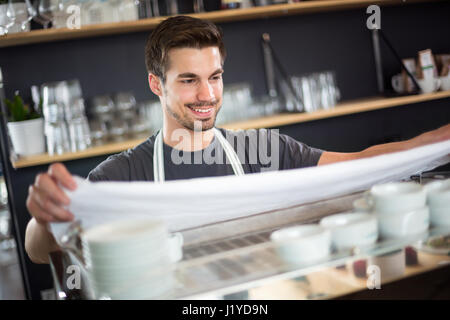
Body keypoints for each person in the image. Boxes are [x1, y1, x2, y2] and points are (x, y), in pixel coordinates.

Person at [25, 16, 449, 264]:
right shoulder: (123, 172)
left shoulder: (265, 150)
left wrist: (434, 141)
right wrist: (44, 217)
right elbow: (39, 251)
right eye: (189, 80)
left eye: (215, 77)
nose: (207, 95)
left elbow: (360, 163)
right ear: (156, 84)